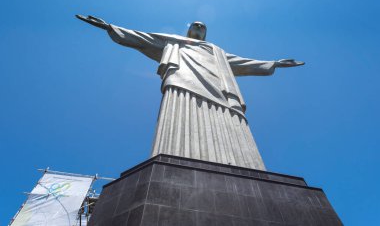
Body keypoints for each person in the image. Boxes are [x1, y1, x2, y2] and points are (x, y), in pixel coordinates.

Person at [76, 15, 304, 170]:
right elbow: (141, 38)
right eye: (195, 24)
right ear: (188, 29)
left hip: (219, 89)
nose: (199, 27)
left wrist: (274, 63)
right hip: (182, 82)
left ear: (205, 34)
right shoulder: (173, 41)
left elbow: (243, 62)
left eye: (203, 26)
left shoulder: (216, 51)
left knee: (231, 122)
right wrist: (109, 27)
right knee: (180, 117)